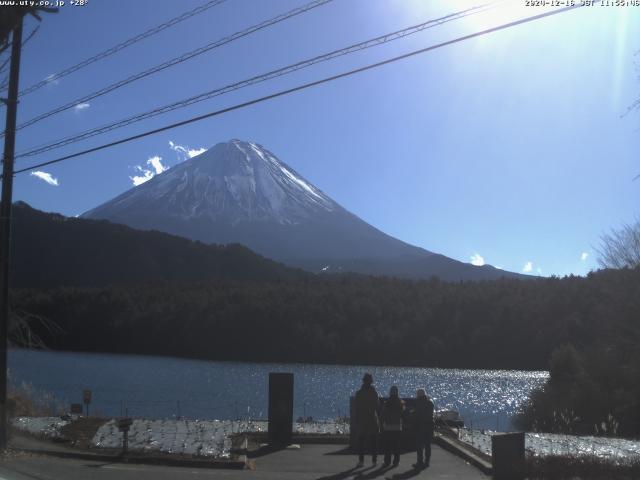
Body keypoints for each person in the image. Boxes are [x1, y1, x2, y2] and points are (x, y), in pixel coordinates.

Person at [354, 373, 380, 467]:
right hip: (372, 419)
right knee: (374, 442)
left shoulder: (359, 393)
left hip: (362, 419)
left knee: (361, 441)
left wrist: (357, 419)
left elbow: (356, 407)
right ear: (371, 382)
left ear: (363, 381)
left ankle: (361, 461)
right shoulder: (374, 393)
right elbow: (377, 405)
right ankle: (374, 461)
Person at [381, 385, 404, 467]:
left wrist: (383, 422)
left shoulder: (387, 402)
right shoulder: (401, 402)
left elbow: (383, 415)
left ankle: (387, 461)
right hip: (398, 427)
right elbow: (402, 414)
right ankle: (396, 461)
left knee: (388, 446)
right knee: (397, 445)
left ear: (390, 392)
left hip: (388, 427)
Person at [413, 388, 435, 469]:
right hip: (430, 425)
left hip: (421, 425)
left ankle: (420, 462)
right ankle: (427, 461)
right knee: (428, 444)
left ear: (419, 395)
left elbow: (416, 414)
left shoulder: (419, 403)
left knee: (420, 445)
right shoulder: (431, 402)